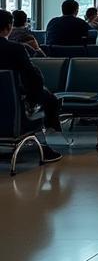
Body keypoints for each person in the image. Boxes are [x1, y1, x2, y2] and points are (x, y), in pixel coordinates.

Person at [0, 9, 63, 161]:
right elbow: (32, 76)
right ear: (9, 27)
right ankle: (45, 143)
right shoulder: (15, 49)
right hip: (13, 103)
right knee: (47, 98)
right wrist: (33, 96)